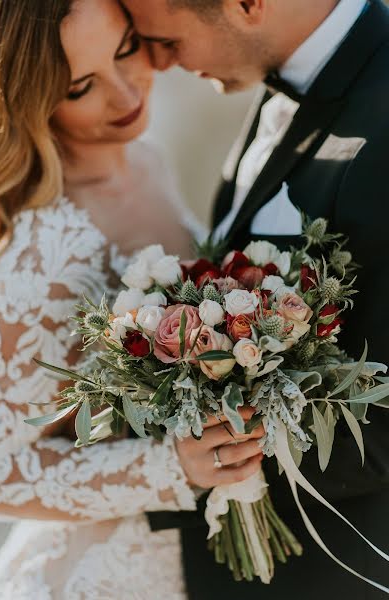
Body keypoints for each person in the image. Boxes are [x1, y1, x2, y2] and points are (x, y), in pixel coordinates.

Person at [0, 1, 265, 598]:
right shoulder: (45, 249)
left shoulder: (145, 155)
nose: (125, 95)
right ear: (32, 99)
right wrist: (170, 466)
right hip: (109, 572)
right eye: (81, 87)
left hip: (208, 555)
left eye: (123, 50)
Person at [122, 0, 389, 597]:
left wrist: (181, 456)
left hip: (334, 570)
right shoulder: (275, 84)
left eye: (167, 40)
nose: (158, 65)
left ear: (247, 5)